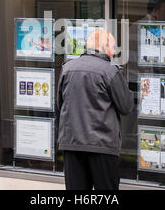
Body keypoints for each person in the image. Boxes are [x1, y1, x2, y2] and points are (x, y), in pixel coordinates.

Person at [56, 29, 134, 190]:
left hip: (72, 144)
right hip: (102, 146)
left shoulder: (67, 69)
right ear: (105, 46)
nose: (113, 52)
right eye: (113, 47)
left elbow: (60, 104)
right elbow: (126, 106)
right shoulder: (110, 71)